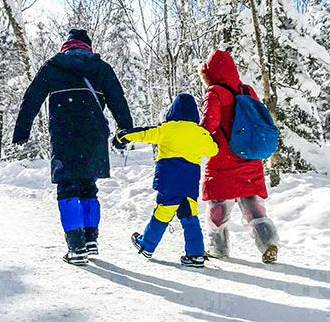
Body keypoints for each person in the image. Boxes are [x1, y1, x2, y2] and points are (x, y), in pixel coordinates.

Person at [13, 29, 133, 266]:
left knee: (67, 186)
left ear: (66, 46)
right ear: (87, 46)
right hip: (94, 134)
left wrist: (22, 130)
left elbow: (32, 98)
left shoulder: (53, 67)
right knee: (89, 186)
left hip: (64, 134)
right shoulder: (101, 68)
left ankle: (76, 246)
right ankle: (90, 240)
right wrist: (125, 129)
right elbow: (118, 99)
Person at [114, 94, 218, 267]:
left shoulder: (167, 129)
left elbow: (144, 134)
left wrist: (123, 136)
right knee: (189, 215)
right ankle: (196, 254)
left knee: (163, 211)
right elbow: (213, 150)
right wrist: (206, 137)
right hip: (189, 183)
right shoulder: (200, 133)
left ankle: (147, 244)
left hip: (170, 181)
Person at [199, 50, 280, 264]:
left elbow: (208, 124)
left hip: (223, 162)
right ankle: (268, 242)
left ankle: (218, 248)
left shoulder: (215, 92)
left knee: (218, 208)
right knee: (253, 204)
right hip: (249, 158)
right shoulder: (247, 90)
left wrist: (195, 138)